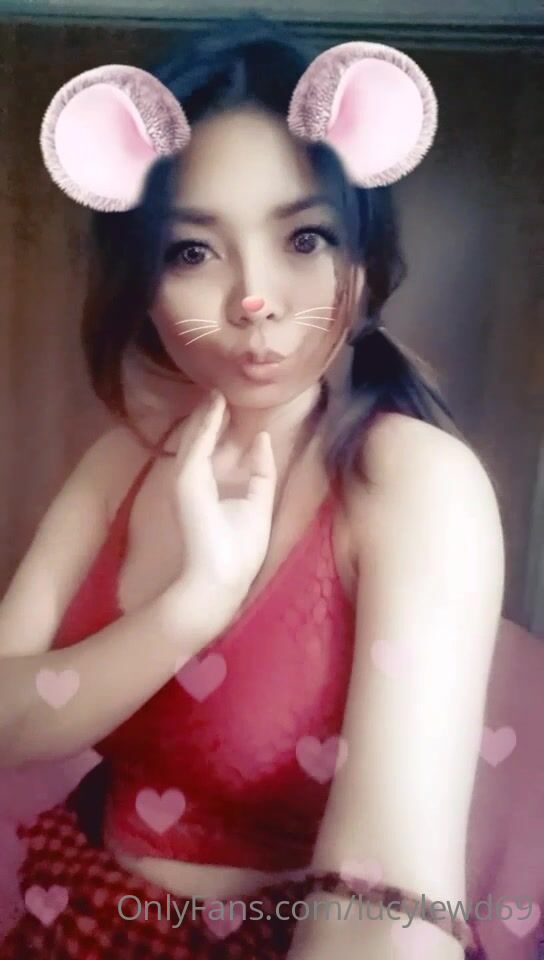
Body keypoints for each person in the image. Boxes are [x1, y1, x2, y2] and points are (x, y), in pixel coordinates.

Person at [0, 13, 504, 960]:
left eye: (304, 238)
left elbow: (388, 898)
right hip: (72, 914)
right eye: (193, 251)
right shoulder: (120, 464)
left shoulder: (412, 483)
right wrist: (191, 609)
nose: (253, 300)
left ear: (362, 258)